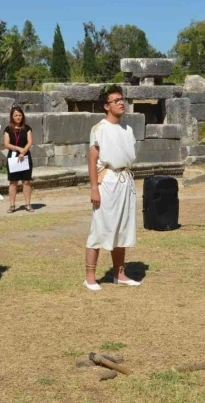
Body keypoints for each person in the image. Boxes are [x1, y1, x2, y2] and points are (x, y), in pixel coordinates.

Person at [84, 84, 140, 291]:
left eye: (121, 99)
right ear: (106, 106)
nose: (121, 103)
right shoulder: (99, 129)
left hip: (125, 179)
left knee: (122, 228)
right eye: (116, 100)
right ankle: (90, 276)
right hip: (107, 181)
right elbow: (92, 160)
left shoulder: (128, 129)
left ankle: (120, 273)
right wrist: (94, 188)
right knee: (101, 227)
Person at [3, 105, 34, 213]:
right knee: (13, 182)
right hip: (13, 157)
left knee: (26, 181)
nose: (18, 117)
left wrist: (23, 151)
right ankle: (12, 205)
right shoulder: (8, 129)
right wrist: (18, 149)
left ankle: (28, 204)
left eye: (20, 115)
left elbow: (30, 142)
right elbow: (6, 144)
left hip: (25, 156)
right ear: (12, 117)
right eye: (16, 115)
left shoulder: (27, 128)